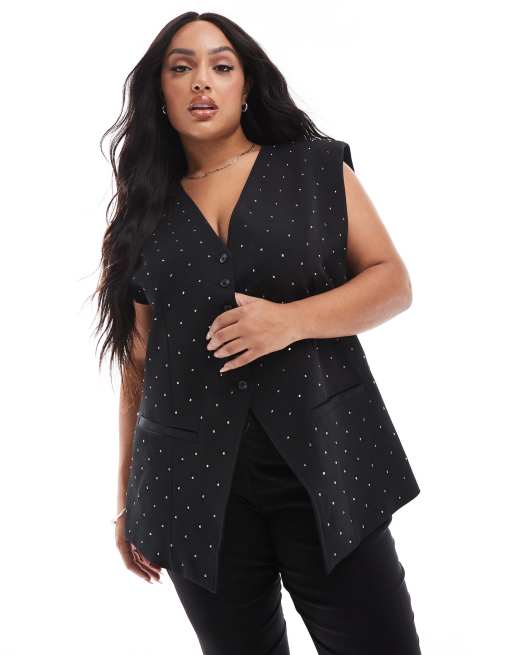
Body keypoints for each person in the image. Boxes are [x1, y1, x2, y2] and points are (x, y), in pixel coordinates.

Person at [94, 11, 422, 655]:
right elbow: (138, 363)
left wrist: (289, 321)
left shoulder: (315, 169)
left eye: (221, 66)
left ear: (246, 86)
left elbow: (392, 282)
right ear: (159, 92)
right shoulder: (138, 215)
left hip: (325, 461)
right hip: (190, 483)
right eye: (181, 68)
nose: (201, 81)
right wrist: (128, 496)